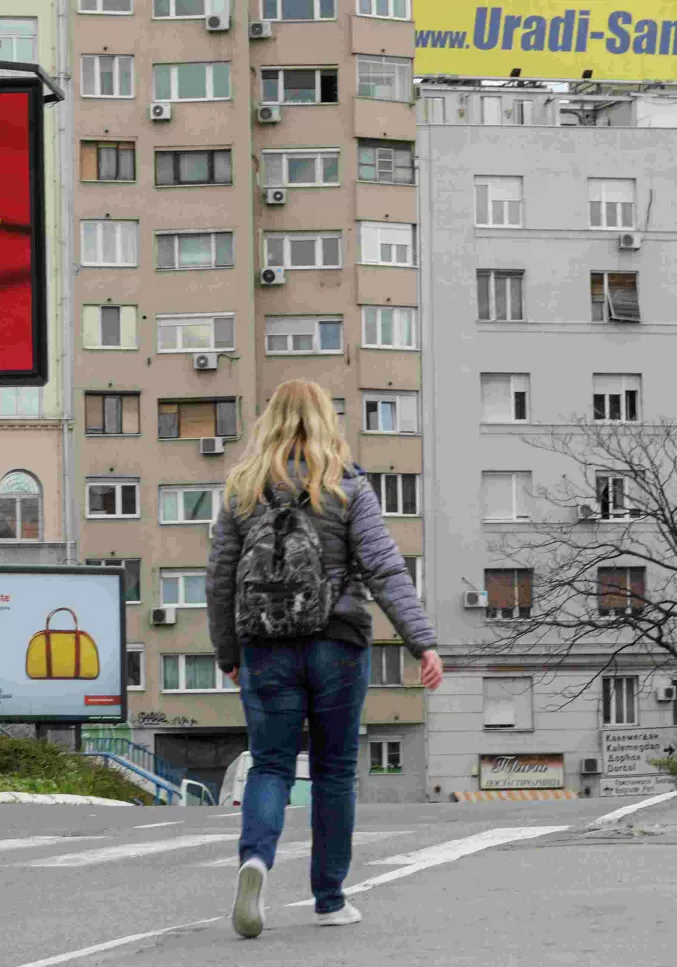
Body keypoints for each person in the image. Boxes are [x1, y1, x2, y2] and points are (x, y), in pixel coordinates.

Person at [206, 378, 442, 938]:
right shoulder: (347, 489)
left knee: (269, 765)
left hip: (265, 647)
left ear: (270, 423)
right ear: (326, 423)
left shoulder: (242, 490)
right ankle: (330, 898)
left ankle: (256, 861)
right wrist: (421, 642)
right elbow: (385, 570)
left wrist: (227, 650)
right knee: (334, 771)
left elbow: (218, 578)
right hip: (337, 643)